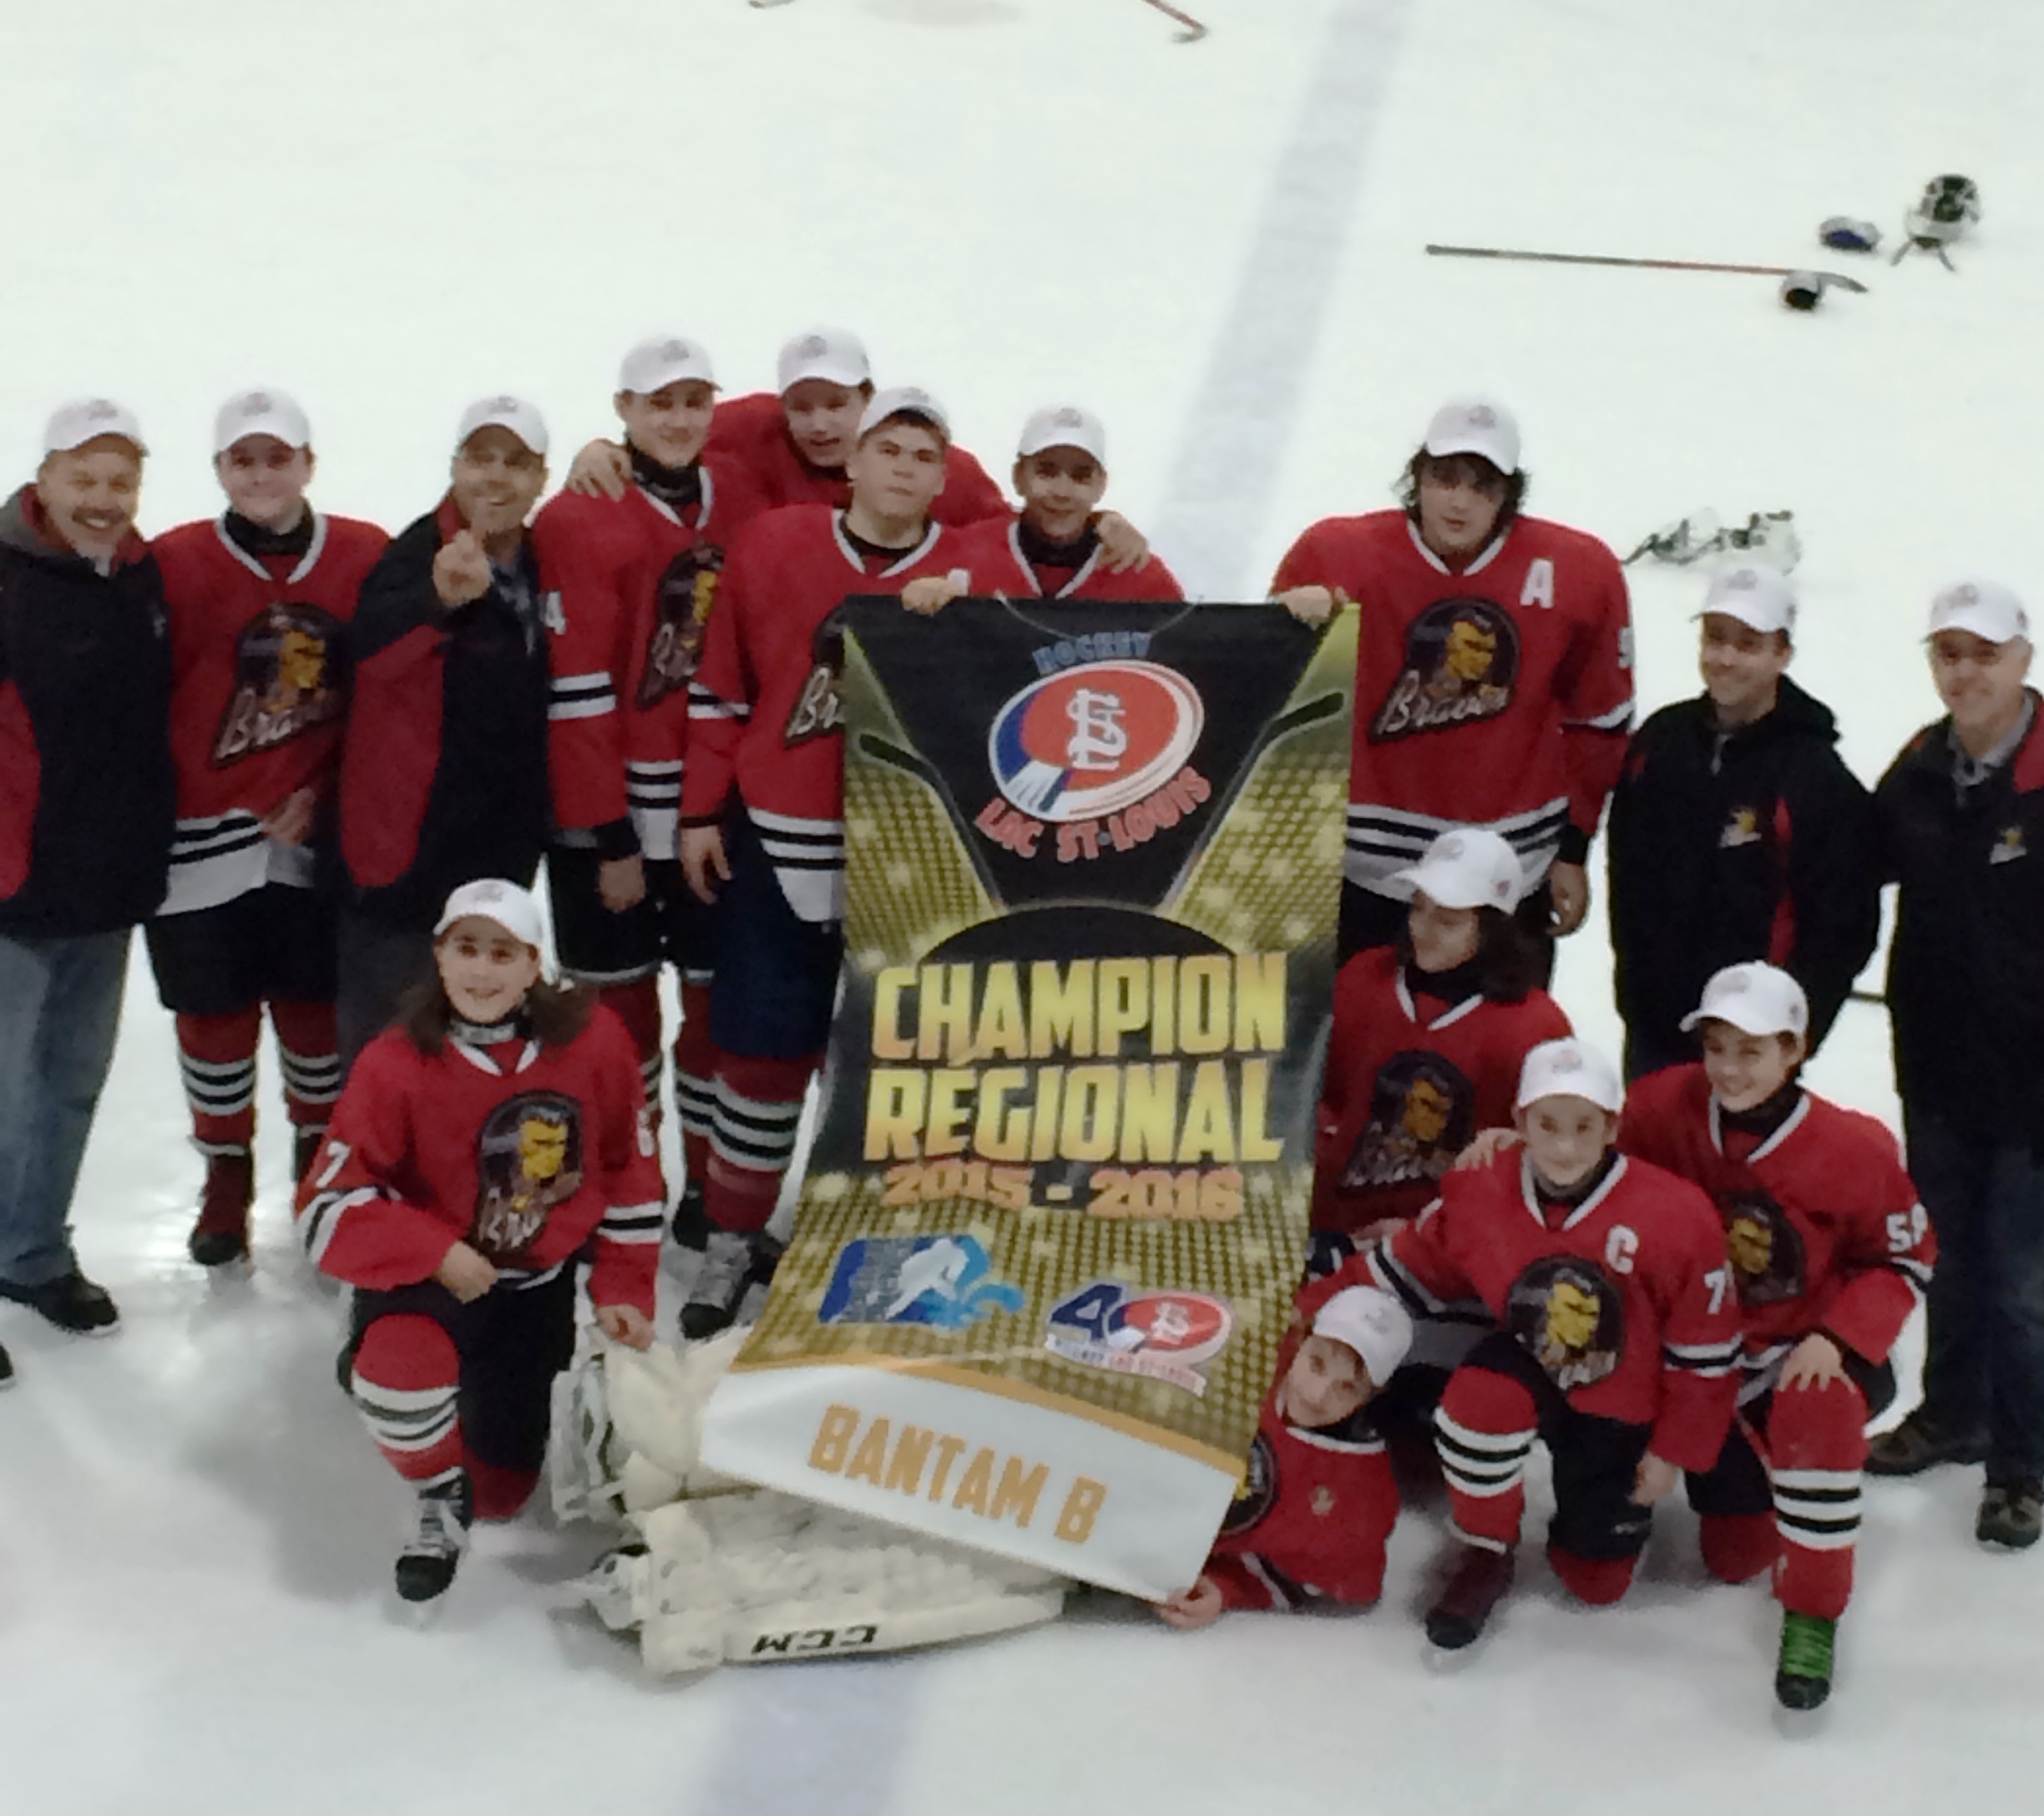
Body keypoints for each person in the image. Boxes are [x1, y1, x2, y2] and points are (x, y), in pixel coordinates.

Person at [675, 387, 975, 1337]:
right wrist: (696, 812)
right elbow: (722, 688)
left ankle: (874, 1253)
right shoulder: (772, 542)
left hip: (912, 863)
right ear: (850, 458)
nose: (902, 468)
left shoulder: (975, 567)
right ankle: (731, 1240)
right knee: (758, 1059)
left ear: (945, 479)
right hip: (776, 841)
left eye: (924, 457)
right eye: (887, 448)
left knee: (889, 1070)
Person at [296, 878, 661, 1604]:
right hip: (432, 1278)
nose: (482, 971)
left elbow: (629, 1168)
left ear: (534, 965)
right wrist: (433, 1250)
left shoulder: (595, 1042)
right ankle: (435, 1496)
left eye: (504, 953)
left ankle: (459, 1426)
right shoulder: (394, 1062)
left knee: (503, 1492)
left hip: (533, 1290)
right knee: (400, 1375)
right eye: (466, 949)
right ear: (439, 956)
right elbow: (323, 1208)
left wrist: (622, 1286)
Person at [1353, 1037, 1740, 1649]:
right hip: (1529, 1358)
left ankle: (1594, 1525)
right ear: (1518, 1122)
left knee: (1596, 1583)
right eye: (1547, 1124)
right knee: (1476, 1406)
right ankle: (1486, 1548)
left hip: (1622, 1396)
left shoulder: (1678, 1214)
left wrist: (1673, 1450)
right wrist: (1313, 1307)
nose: (1564, 1145)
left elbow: (1707, 1349)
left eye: (1584, 1125)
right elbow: (1410, 1262)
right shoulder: (1480, 1185)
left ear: (1613, 1125)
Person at [1622, 963, 1934, 1710]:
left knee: (1820, 1402)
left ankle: (1814, 1608)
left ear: (1794, 1050)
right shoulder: (1661, 1106)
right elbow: (1601, 1179)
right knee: (1734, 1560)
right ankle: (1754, 1469)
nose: (1729, 1069)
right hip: (1702, 1358)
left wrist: (1841, 1335)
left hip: (1800, 1352)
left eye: (1752, 1051)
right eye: (1718, 1047)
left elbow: (1905, 1256)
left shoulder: (1854, 1146)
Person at [146, 390, 388, 1263]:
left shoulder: (364, 556)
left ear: (308, 464)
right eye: (242, 461)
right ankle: (224, 1171)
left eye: (276, 458)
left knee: (313, 1012)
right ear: (219, 470)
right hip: (196, 843)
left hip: (311, 845)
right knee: (212, 1017)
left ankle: (317, 1165)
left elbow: (393, 697)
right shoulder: (169, 561)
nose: (261, 475)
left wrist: (330, 793)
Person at [535, 336, 766, 1232]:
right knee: (615, 1027)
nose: (677, 419)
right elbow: (577, 694)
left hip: (712, 813)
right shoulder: (576, 517)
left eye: (693, 401)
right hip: (611, 826)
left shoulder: (742, 492)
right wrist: (611, 835)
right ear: (621, 411)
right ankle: (630, 1182)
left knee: (713, 1016)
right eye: (656, 403)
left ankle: (706, 1184)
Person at [1271, 399, 1634, 961]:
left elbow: (1599, 722)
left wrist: (1574, 847)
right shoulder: (1334, 554)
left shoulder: (1581, 572)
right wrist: (1285, 622)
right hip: (1361, 867)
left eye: (1482, 484)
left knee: (1500, 1042)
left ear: (1510, 492)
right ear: (1418, 476)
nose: (1460, 500)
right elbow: (1270, 700)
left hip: (1510, 867)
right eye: (1445, 478)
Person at [0, 399, 175, 1386]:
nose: (103, 502)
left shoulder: (139, 579)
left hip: (103, 887)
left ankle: (30, 1258)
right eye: (85, 480)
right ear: (46, 479)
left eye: (121, 483)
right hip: (10, 888)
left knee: (68, 1086)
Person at [1867, 580, 2044, 1550]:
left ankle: (2024, 1463)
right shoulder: (1923, 769)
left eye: (1984, 653)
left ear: (2025, 658)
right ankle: (1952, 1413)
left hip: (2033, 1090)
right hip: (1936, 1068)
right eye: (1948, 653)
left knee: (2023, 1280)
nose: (1965, 672)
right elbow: (1852, 870)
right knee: (1951, 1259)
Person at [333, 397, 553, 1077]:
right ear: (455, 466)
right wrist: (440, 600)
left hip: (496, 860)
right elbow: (364, 655)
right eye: (480, 458)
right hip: (402, 868)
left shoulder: (544, 560)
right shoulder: (415, 556)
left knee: (473, 1068)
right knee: (385, 1066)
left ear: (541, 477)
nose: (495, 477)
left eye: (515, 462)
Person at [1606, 561, 1878, 1079]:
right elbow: (1627, 880)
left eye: (1748, 644)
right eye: (1716, 638)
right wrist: (1635, 995)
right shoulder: (1660, 742)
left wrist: (1795, 1033)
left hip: (1751, 1050)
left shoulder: (1814, 775)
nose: (1725, 658)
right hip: (1654, 1034)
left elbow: (1843, 927)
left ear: (1783, 653)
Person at [1312, 827, 1568, 1242]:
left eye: (1447, 919)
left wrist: (1431, 1233)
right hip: (1330, 1226)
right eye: (1417, 908)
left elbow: (1541, 1163)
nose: (1423, 929)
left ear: (1493, 927)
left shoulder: (1536, 1028)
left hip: (1451, 1244)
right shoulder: (1362, 979)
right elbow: (1320, 1100)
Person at [564, 326, 1007, 525]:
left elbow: (1010, 539)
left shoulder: (936, 466)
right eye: (801, 407)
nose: (820, 424)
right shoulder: (752, 426)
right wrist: (606, 448)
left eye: (837, 404)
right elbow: (670, 432)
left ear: (869, 398)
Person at [1155, 1285, 1411, 1628]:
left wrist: (1224, 1590)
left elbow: (1321, 1581)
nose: (1318, 1396)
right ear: (1302, 1337)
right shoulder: (1252, 1350)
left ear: (1372, 1396)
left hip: (1158, 1565)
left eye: (1347, 1388)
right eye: (1316, 1364)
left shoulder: (1361, 1498)